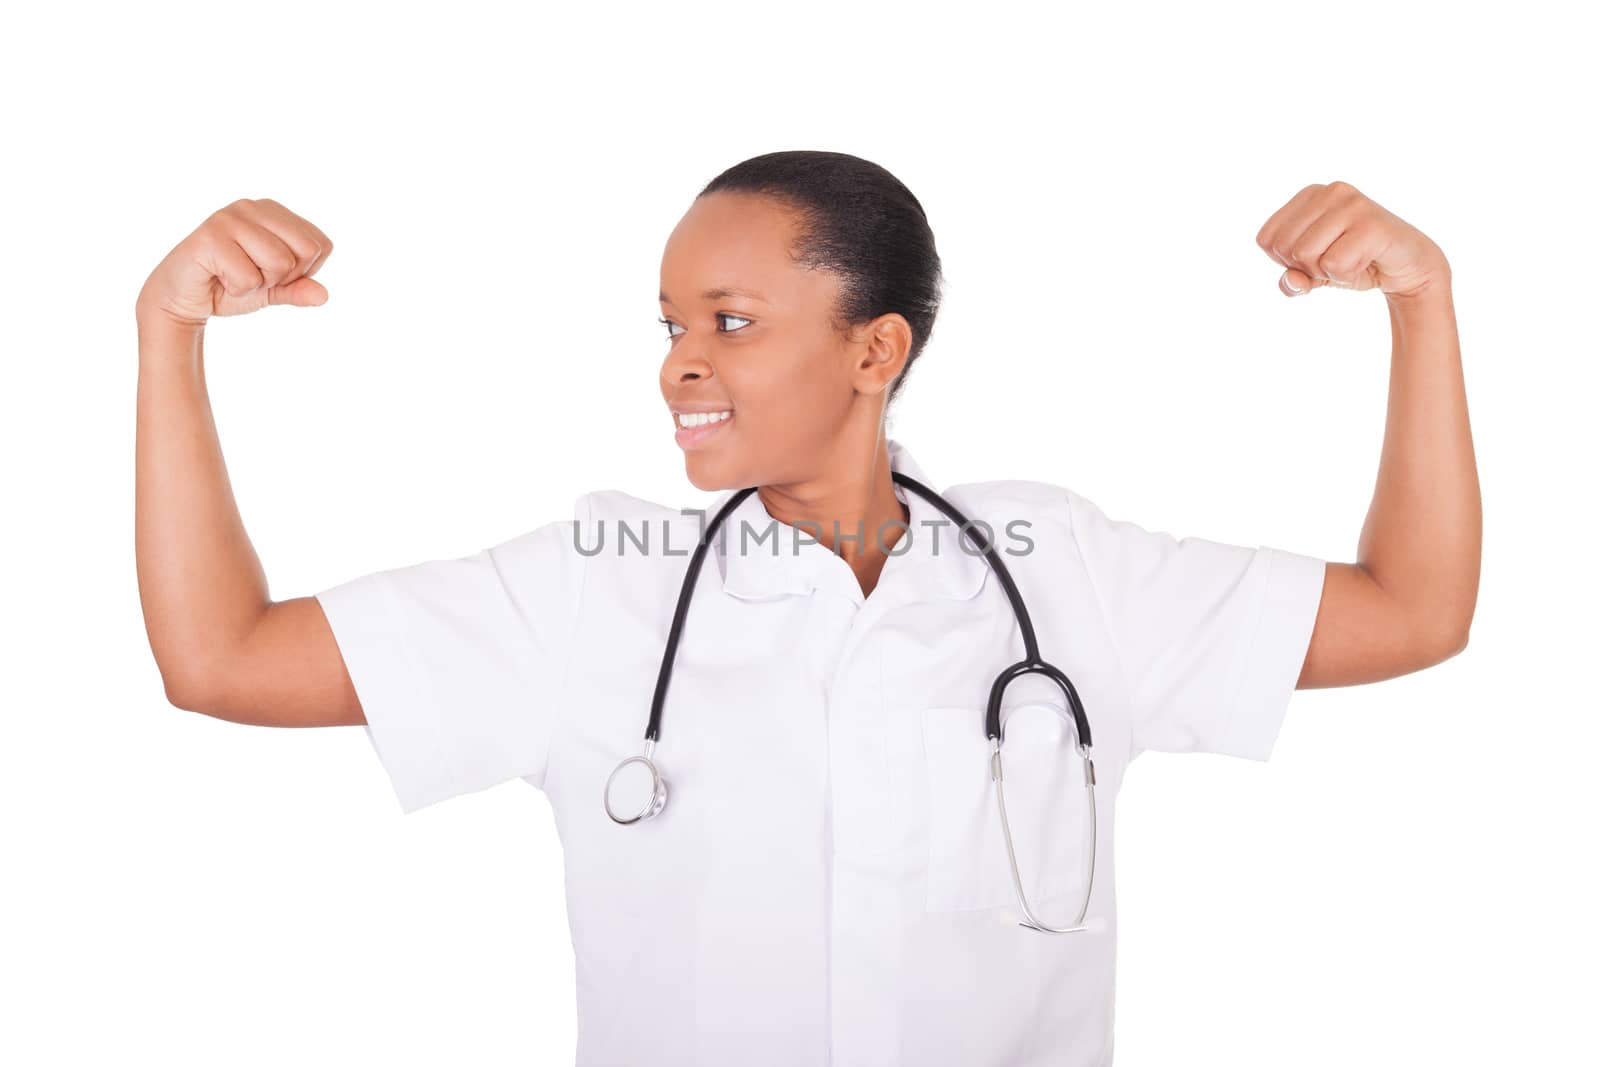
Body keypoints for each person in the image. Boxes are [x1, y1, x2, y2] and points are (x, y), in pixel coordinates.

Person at [133, 150, 1480, 1066]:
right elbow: (222, 660)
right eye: (669, 327)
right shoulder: (594, 589)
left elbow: (1414, 612)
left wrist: (1423, 306)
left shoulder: (1063, 573)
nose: (680, 369)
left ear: (873, 349)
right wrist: (166, 338)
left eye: (729, 322)